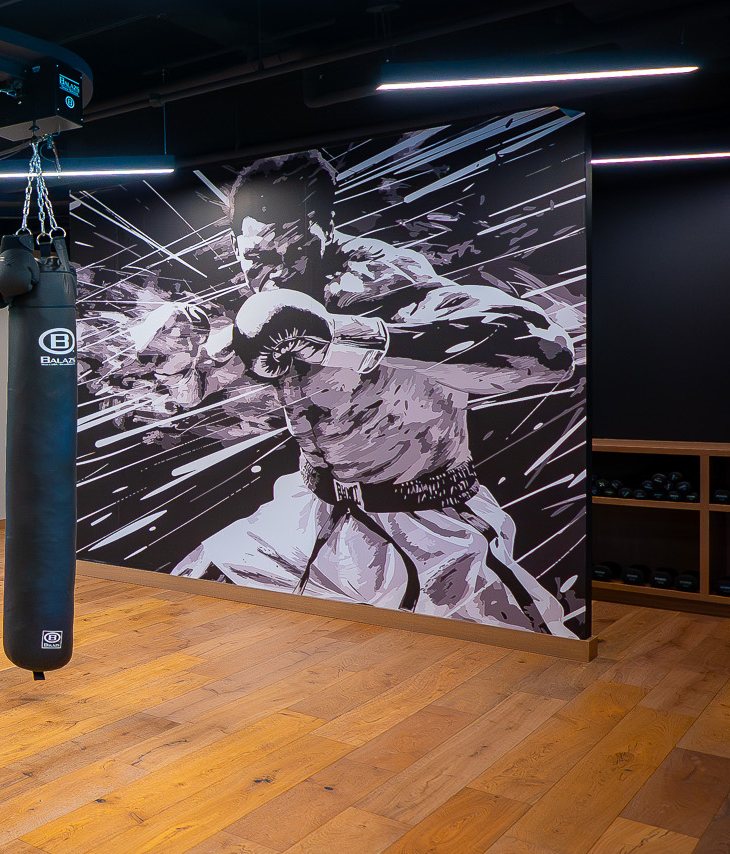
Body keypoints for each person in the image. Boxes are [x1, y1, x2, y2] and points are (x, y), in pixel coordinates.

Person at [163, 150, 578, 634]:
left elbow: (548, 350)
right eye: (253, 257)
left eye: (285, 255)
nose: (270, 275)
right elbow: (227, 384)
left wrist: (350, 336)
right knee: (196, 584)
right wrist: (186, 370)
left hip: (428, 521)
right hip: (314, 509)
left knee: (513, 667)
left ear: (321, 227)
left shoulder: (393, 286)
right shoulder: (269, 296)